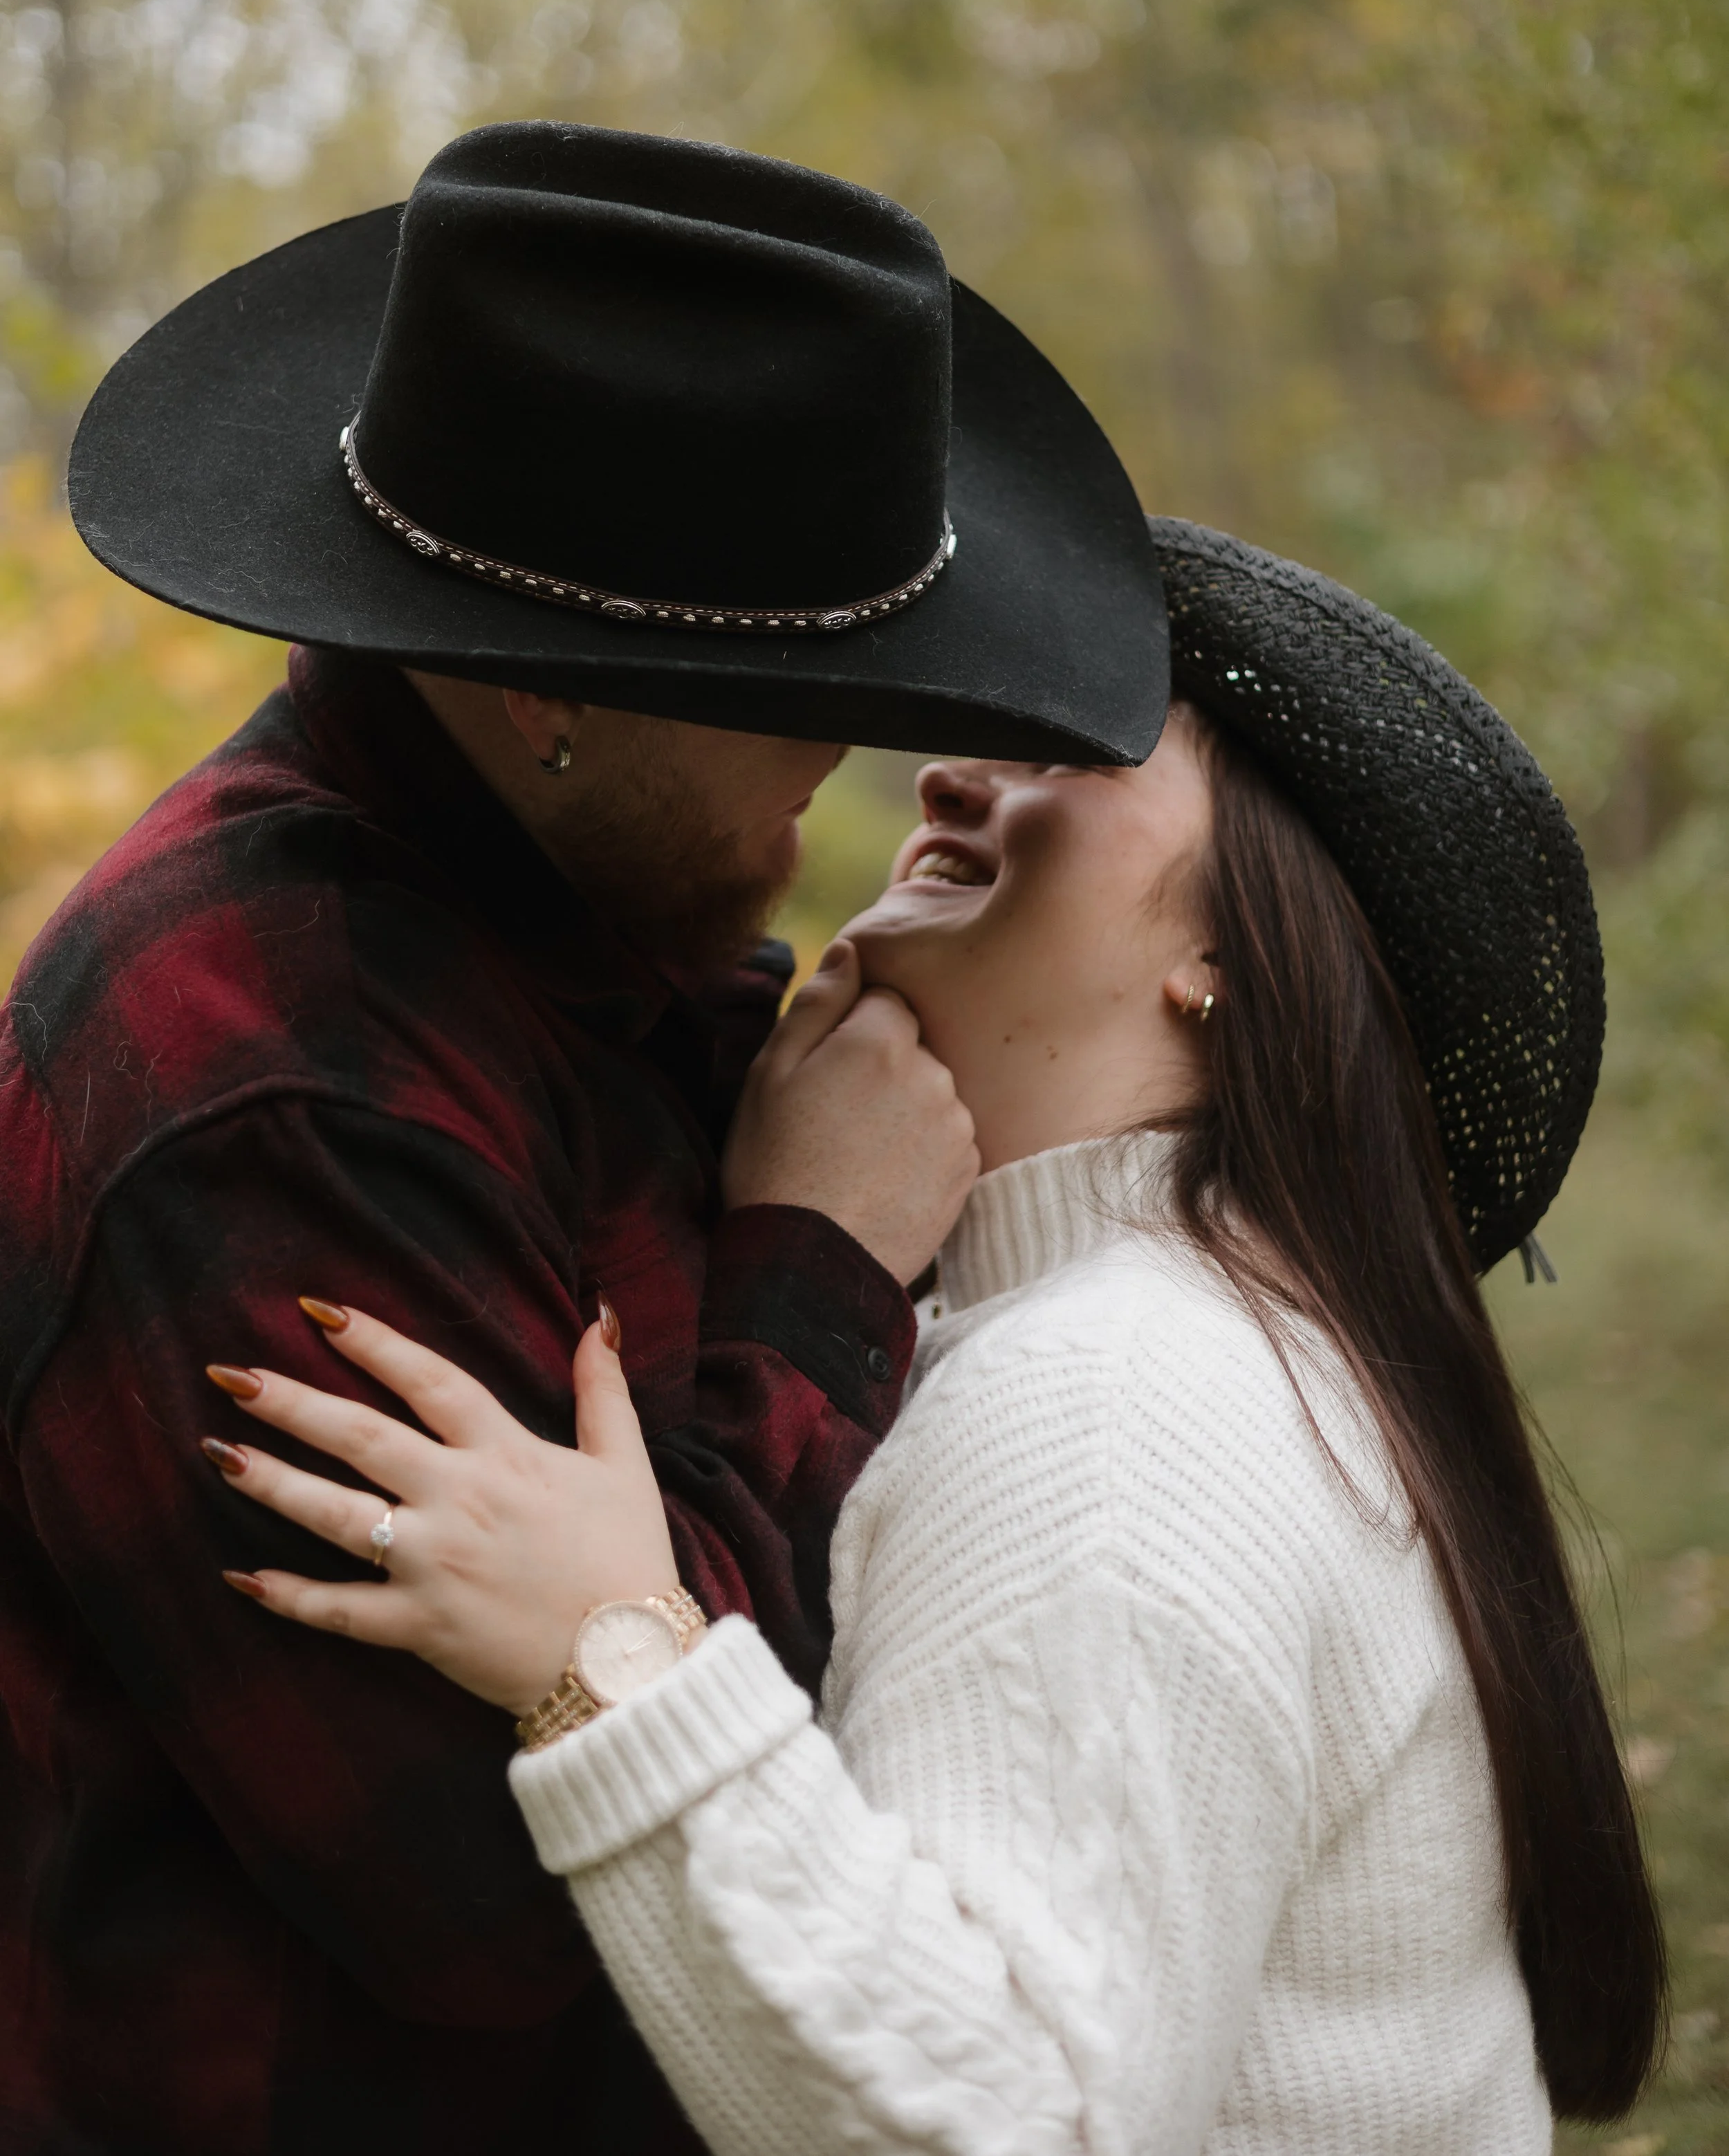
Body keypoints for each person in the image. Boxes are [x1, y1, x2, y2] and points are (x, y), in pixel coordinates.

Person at [214, 519, 1665, 2155]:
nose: (943, 773)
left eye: (1066, 750)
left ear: (1227, 952)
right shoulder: (1180, 1333)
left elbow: (1022, 2122)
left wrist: (610, 1662)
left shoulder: (1109, 1404)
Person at [0, 122, 1167, 2156]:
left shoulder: (567, 937)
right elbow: (502, 1892)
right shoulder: (273, 1086)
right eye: (788, 686)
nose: (855, 744)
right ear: (555, 691)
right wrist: (812, 1266)